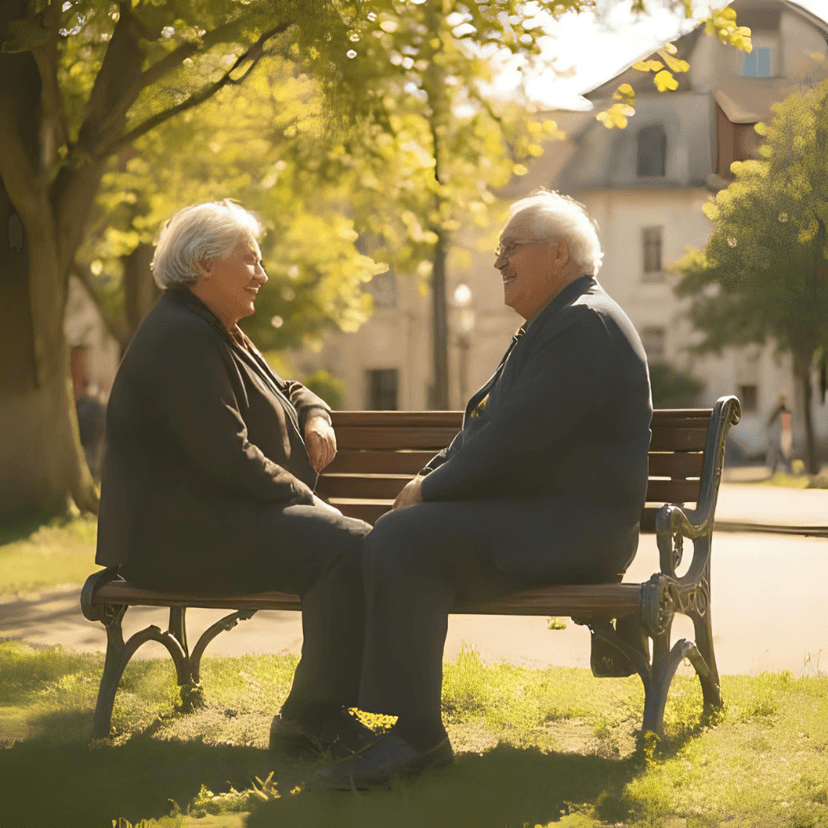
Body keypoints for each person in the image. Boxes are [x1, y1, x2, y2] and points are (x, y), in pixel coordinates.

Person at [317, 189, 653, 788]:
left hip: (577, 532)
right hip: (544, 519)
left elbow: (518, 439)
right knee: (401, 539)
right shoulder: (558, 320)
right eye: (499, 248)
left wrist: (431, 491)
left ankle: (414, 738)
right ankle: (355, 719)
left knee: (405, 541)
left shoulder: (582, 323)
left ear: (558, 254)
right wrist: (427, 480)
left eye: (511, 247)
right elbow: (487, 428)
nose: (498, 261)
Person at [95, 200, 375, 758]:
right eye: (249, 261)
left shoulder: (213, 328)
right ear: (204, 264)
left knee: (347, 545)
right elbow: (228, 457)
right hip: (179, 541)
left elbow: (286, 389)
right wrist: (316, 505)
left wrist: (316, 412)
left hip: (213, 524)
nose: (262, 275)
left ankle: (325, 707)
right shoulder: (182, 336)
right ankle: (310, 718)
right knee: (346, 545)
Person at [766, 393, 793, 475]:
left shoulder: (786, 410)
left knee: (785, 454)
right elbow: (770, 422)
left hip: (784, 435)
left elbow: (787, 425)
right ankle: (774, 471)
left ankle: (789, 471)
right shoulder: (776, 411)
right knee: (776, 454)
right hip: (776, 436)